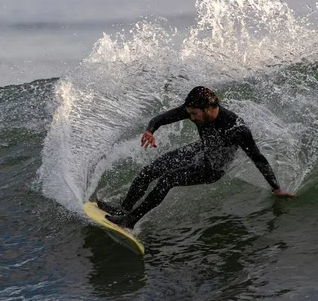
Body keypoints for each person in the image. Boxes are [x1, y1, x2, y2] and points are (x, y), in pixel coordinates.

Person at [98, 86, 295, 229]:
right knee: (152, 169)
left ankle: (129, 221)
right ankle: (123, 209)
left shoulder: (236, 128)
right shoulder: (195, 109)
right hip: (200, 151)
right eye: (189, 113)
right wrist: (150, 130)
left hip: (212, 168)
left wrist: (276, 188)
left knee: (168, 180)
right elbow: (162, 118)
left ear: (209, 108)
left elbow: (258, 158)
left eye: (194, 114)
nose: (192, 118)